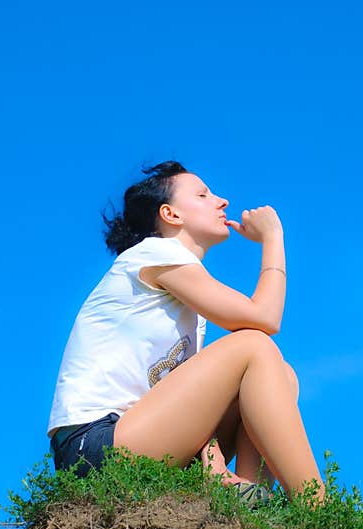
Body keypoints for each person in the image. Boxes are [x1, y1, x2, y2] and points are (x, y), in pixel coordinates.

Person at [46, 160, 324, 504]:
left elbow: (185, 404)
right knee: (253, 345)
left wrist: (213, 464)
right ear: (171, 215)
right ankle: (318, 509)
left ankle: (250, 501)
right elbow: (264, 318)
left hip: (143, 438)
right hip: (93, 449)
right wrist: (273, 237)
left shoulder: (190, 313)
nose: (222, 201)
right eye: (203, 195)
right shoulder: (153, 253)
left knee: (281, 375)